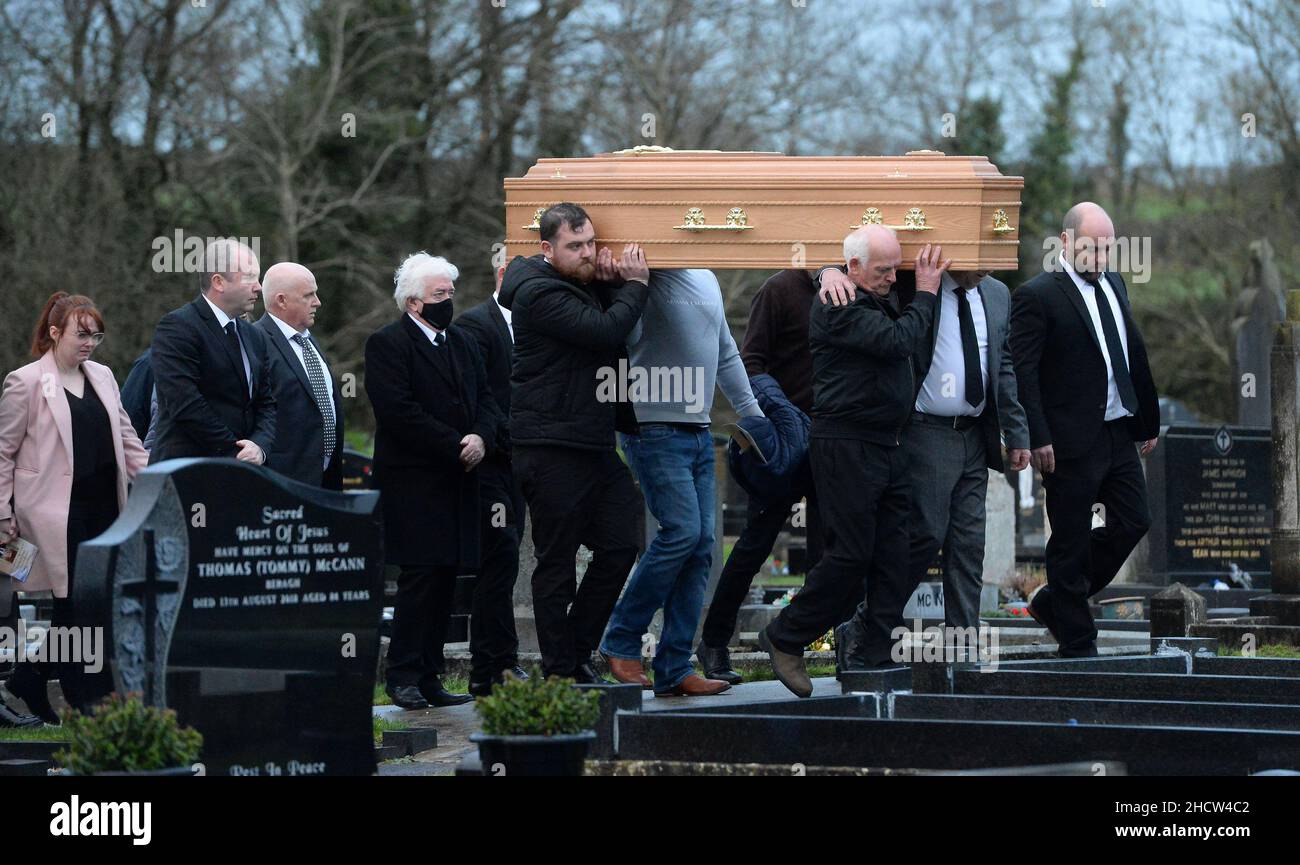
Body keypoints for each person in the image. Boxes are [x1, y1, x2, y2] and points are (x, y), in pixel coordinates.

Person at [760, 228, 948, 698]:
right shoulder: (837, 304)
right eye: (882, 270)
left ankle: (873, 649)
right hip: (846, 445)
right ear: (855, 268)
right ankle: (786, 635)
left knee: (900, 549)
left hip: (888, 443)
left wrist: (827, 267)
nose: (891, 278)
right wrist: (923, 292)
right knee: (850, 554)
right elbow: (898, 340)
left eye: (895, 269)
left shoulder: (873, 290)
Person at [817, 262, 1031, 664]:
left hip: (974, 435)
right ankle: (865, 626)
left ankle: (963, 650)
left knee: (969, 547)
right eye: (977, 263)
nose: (984, 271)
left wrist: (1017, 433)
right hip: (925, 431)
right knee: (924, 537)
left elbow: (1003, 365)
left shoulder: (998, 294)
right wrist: (828, 270)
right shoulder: (912, 284)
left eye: (990, 264)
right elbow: (862, 266)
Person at [497, 202, 650, 682]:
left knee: (623, 542)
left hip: (593, 443)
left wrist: (606, 282)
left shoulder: (577, 284)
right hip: (549, 446)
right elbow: (604, 331)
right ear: (547, 248)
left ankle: (578, 651)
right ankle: (561, 670)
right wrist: (635, 285)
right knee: (556, 563)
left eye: (591, 244)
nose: (587, 254)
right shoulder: (538, 293)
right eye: (575, 246)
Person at [599, 269, 761, 697]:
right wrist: (632, 282)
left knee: (702, 544)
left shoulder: (708, 275)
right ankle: (620, 639)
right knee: (683, 533)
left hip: (699, 429)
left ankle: (673, 667)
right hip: (652, 427)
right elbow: (625, 338)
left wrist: (755, 416)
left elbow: (725, 351)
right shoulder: (639, 273)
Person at [1009, 202, 1159, 657]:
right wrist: (1037, 436)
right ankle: (1077, 642)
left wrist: (1145, 419)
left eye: (1108, 248)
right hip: (1067, 439)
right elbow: (1024, 373)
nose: (1101, 257)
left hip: (1117, 430)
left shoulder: (1115, 284)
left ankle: (1057, 599)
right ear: (1068, 242)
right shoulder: (1038, 296)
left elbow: (1132, 353)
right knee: (1071, 536)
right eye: (1092, 248)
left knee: (1134, 520)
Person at [0, 293, 149, 722]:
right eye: (81, 334)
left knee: (93, 602)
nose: (90, 343)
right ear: (54, 333)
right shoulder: (24, 381)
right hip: (55, 512)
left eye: (96, 335)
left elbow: (127, 439)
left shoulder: (102, 375)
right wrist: (4, 516)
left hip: (106, 507)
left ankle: (30, 679)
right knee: (74, 603)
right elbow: (4, 453)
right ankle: (87, 697)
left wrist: (158, 479)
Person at [365, 253, 501, 709]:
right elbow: (399, 412)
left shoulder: (460, 342)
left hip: (459, 480)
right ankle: (403, 674)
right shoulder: (388, 344)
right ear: (414, 303)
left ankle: (430, 674)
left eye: (451, 293)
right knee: (420, 578)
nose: (449, 301)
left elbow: (487, 398)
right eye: (440, 295)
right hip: (415, 483)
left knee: (446, 579)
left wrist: (481, 436)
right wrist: (455, 445)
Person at [697, 269, 823, 684]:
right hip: (782, 447)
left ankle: (816, 640)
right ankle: (714, 643)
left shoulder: (852, 289)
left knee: (829, 551)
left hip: (830, 445)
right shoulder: (780, 289)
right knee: (753, 547)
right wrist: (781, 415)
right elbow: (749, 362)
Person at [452, 266, 529, 695]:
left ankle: (497, 664)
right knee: (498, 559)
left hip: (520, 465)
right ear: (503, 274)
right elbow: (481, 398)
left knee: (506, 560)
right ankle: (492, 666)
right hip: (490, 465)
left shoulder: (535, 325)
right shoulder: (475, 325)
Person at [149, 238, 276, 465]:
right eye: (249, 277)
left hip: (246, 474)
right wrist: (233, 450)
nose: (258, 286)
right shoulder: (178, 327)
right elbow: (184, 402)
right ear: (218, 282)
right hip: (189, 473)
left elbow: (266, 403)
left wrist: (259, 446)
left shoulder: (254, 336)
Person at [254, 262, 344, 489]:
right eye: (308, 295)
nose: (318, 302)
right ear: (281, 300)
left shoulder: (307, 339)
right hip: (282, 483)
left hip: (326, 479)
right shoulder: (255, 341)